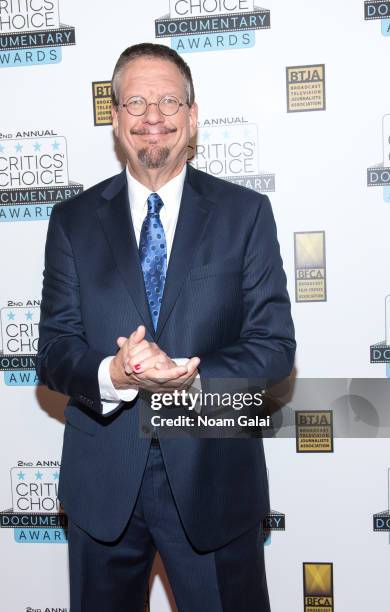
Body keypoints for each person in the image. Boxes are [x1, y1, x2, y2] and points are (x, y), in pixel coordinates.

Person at [37, 42, 295, 612]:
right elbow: (53, 350)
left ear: (193, 117)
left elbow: (274, 347)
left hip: (215, 481)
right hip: (103, 485)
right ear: (115, 119)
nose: (153, 116)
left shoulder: (245, 214)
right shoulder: (72, 221)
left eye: (168, 101)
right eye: (135, 101)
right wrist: (114, 373)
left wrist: (192, 380)